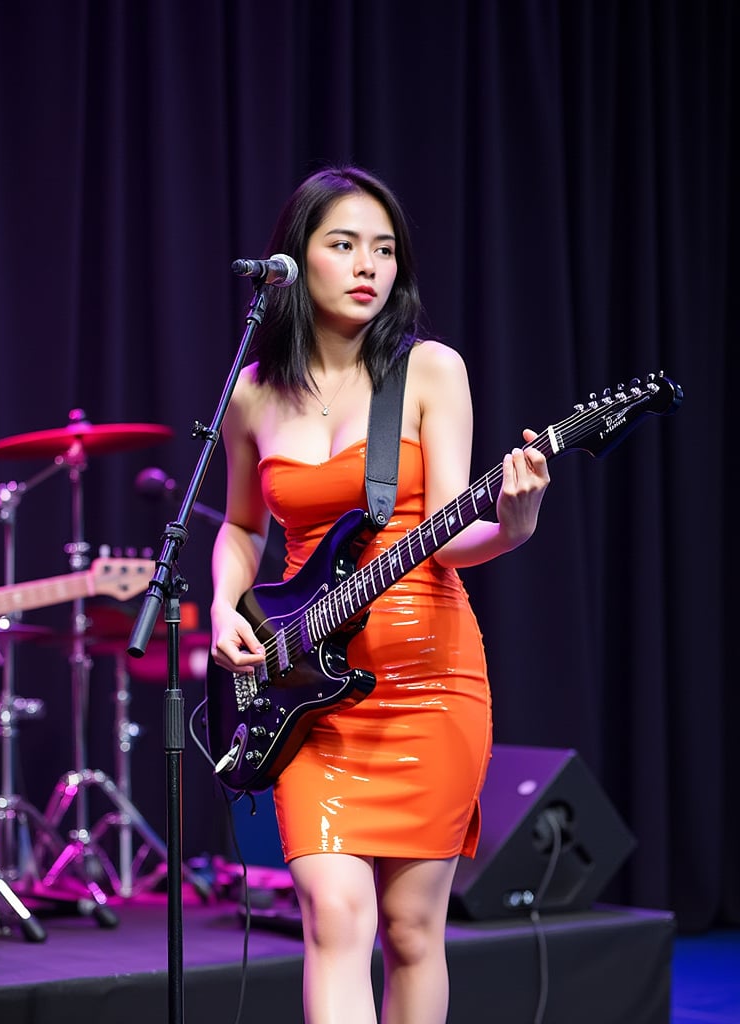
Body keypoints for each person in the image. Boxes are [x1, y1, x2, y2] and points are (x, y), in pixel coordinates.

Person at [210, 165, 550, 1024]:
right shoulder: (253, 392)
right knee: (335, 914)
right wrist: (223, 604)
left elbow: (449, 530)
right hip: (308, 697)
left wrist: (512, 526)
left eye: (386, 249)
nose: (369, 265)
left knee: (409, 931)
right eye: (344, 245)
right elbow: (243, 528)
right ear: (294, 260)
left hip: (431, 689)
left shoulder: (430, 370)